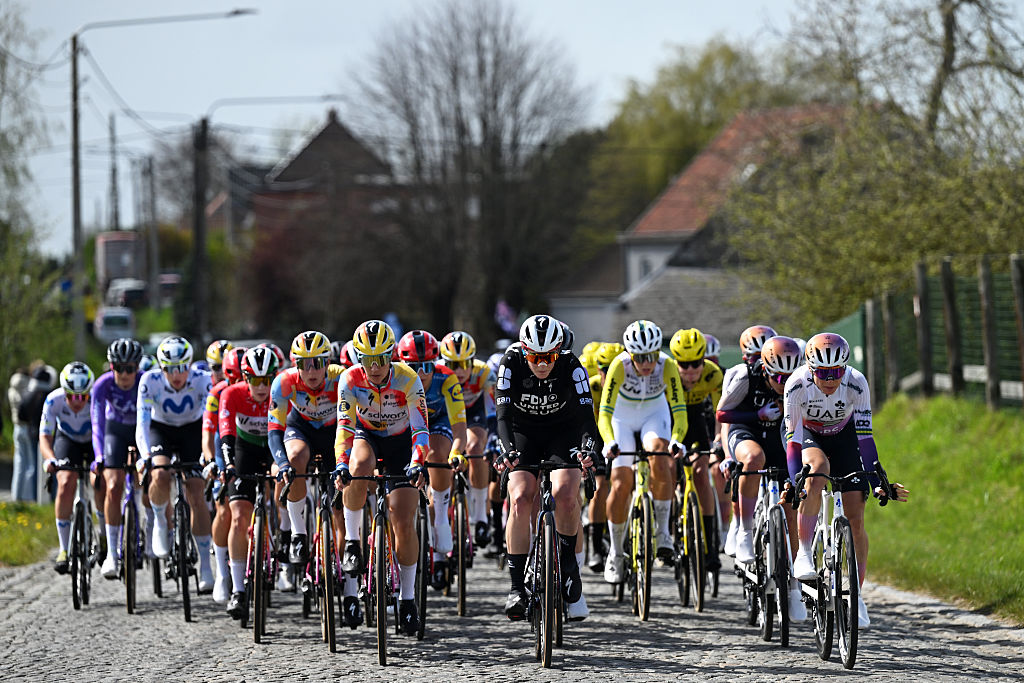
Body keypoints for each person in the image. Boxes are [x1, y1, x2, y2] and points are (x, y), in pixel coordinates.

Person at [784, 332, 908, 628]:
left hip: (845, 435)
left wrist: (879, 477)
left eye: (836, 372)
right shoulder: (796, 385)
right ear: (811, 369)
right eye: (824, 372)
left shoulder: (857, 382)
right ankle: (803, 552)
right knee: (816, 470)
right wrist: (794, 481)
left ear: (845, 368)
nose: (830, 379)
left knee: (856, 518)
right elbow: (792, 442)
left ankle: (857, 595)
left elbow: (865, 437)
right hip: (809, 436)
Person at [495, 314, 598, 622]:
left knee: (567, 494)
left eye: (549, 356)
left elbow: (586, 418)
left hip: (561, 432)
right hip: (522, 432)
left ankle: (569, 566)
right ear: (524, 350)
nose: (542, 364)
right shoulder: (510, 362)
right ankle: (516, 587)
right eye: (535, 357)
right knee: (520, 497)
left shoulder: (571, 364)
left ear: (559, 351)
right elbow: (500, 416)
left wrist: (590, 449)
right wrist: (507, 451)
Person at [333, 320, 429, 634]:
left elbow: (421, 430)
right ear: (357, 358)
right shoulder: (349, 379)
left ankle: (408, 600)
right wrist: (341, 463)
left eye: (381, 359)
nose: (374, 367)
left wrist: (417, 462)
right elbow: (344, 428)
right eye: (366, 359)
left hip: (403, 443)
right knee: (358, 466)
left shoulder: (408, 378)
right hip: (367, 437)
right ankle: (351, 542)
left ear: (391, 355)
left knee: (403, 517)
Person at [717, 335, 807, 619]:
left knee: (790, 506)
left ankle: (793, 587)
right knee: (753, 460)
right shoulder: (745, 376)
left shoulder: (800, 381)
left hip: (779, 437)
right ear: (764, 368)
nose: (783, 383)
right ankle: (744, 528)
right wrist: (757, 413)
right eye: (777, 377)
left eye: (788, 377)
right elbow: (722, 414)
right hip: (747, 432)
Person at [600, 320, 688, 581]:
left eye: (651, 355)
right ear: (630, 355)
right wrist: (608, 441)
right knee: (620, 482)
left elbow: (679, 410)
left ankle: (663, 532)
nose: (647, 363)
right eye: (640, 357)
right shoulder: (619, 365)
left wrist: (677, 439)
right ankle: (615, 553)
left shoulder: (667, 364)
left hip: (654, 413)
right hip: (622, 418)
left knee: (661, 458)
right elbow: (604, 412)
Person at [135, 336, 215, 593]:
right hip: (162, 430)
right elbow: (143, 424)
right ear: (161, 367)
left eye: (182, 367)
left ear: (189, 364)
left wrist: (207, 454)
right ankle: (160, 521)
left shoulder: (202, 379)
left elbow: (209, 422)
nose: (177, 374)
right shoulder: (150, 381)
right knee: (159, 475)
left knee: (195, 489)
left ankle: (205, 565)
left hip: (194, 429)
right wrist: (146, 456)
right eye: (170, 368)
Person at [268, 331, 345, 572]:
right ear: (295, 365)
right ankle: (298, 534)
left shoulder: (341, 378)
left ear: (328, 364)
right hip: (301, 429)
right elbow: (274, 430)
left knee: (339, 510)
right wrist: (282, 465)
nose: (311, 372)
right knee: (295, 458)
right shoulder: (284, 382)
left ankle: (340, 567)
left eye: (318, 364)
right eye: (304, 365)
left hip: (335, 434)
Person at [396, 330, 468, 590]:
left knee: (438, 454)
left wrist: (457, 450)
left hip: (437, 425)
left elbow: (460, 425)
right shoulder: (395, 378)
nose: (422, 373)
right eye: (413, 367)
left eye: (428, 366)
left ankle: (440, 519)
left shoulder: (446, 378)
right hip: (404, 427)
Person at [218, 346, 278, 619]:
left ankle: (285, 538)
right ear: (245, 378)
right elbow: (227, 432)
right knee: (239, 517)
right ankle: (238, 589)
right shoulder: (231, 394)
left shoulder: (281, 392)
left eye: (267, 380)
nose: (262, 387)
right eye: (256, 380)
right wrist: (228, 465)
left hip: (275, 447)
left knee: (283, 488)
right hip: (245, 450)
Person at [668, 328, 724, 571]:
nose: (690, 371)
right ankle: (667, 527)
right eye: (684, 364)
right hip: (670, 420)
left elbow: (721, 412)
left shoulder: (712, 375)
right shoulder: (666, 373)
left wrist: (719, 441)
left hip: (698, 420)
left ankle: (711, 546)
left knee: (702, 475)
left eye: (696, 364)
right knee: (667, 470)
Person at [439, 331, 496, 552]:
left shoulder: (484, 373)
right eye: (454, 364)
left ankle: (481, 516)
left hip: (473, 416)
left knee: (474, 447)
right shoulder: (438, 374)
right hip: (446, 418)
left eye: (466, 363)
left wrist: (491, 440)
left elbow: (492, 411)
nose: (461, 370)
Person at [92, 338, 144, 580]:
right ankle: (112, 553)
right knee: (113, 486)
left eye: (130, 369)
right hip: (115, 431)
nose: (124, 375)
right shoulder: (102, 385)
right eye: (118, 369)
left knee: (151, 480)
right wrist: (100, 455)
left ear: (137, 367)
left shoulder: (146, 381)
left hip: (141, 430)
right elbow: (97, 424)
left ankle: (152, 527)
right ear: (111, 367)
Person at [40, 362, 95, 574]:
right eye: (72, 396)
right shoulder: (53, 400)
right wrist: (50, 459)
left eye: (83, 397)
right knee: (64, 482)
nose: (77, 402)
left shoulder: (95, 399)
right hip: (68, 440)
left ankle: (103, 535)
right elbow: (45, 437)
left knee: (100, 480)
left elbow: (105, 432)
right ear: (64, 391)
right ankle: (64, 548)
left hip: (92, 440)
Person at [203, 346, 246, 602]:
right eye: (236, 378)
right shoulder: (217, 393)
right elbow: (208, 435)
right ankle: (221, 572)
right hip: (226, 447)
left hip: (254, 445)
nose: (241, 384)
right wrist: (211, 461)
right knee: (224, 508)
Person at [584, 342, 622, 572]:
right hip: (598, 436)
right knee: (600, 488)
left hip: (623, 435)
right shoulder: (593, 387)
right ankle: (597, 547)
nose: (609, 374)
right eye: (604, 369)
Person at [8, 366, 33, 501]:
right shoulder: (28, 387)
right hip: (27, 427)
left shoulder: (11, 389)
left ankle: (16, 495)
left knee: (18, 463)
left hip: (16, 427)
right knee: (30, 464)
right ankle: (28, 497)